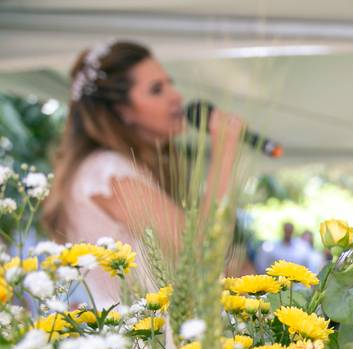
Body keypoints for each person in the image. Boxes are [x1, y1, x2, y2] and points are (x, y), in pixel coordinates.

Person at [42, 40, 244, 308]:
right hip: (138, 331)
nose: (176, 96)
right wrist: (225, 150)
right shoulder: (108, 173)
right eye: (157, 89)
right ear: (122, 110)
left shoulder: (120, 169)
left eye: (170, 84)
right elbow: (201, 249)